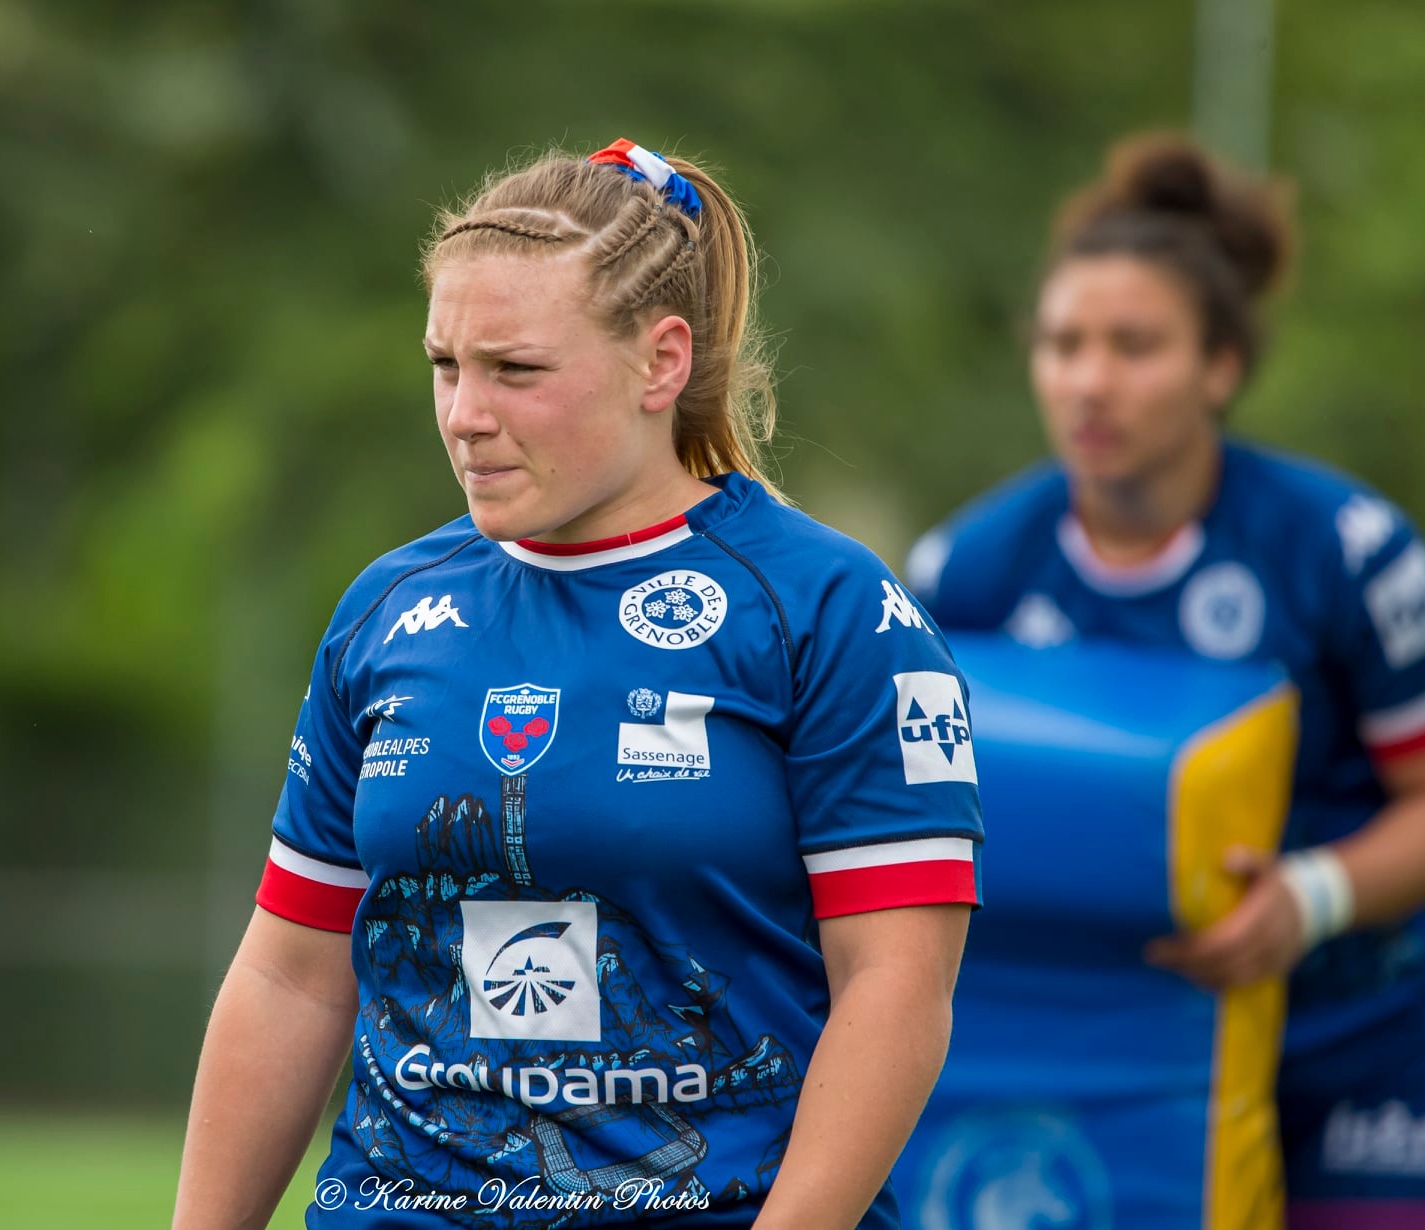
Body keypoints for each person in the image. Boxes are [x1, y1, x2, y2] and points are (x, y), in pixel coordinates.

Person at [172, 139, 984, 1228]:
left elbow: (898, 989)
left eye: (515, 370)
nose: (465, 412)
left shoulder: (826, 609)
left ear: (661, 363)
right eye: (444, 365)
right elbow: (292, 975)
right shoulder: (390, 606)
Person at [905, 134, 1425, 1228]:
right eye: (1063, 344)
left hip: (1356, 1036)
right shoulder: (966, 572)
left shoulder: (1346, 550)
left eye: (1134, 346)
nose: (1090, 381)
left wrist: (1309, 899)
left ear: (1220, 366)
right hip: (1111, 1051)